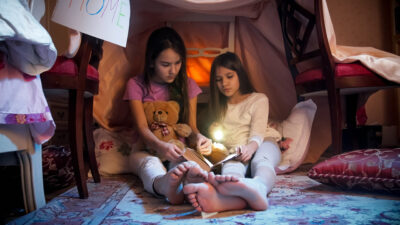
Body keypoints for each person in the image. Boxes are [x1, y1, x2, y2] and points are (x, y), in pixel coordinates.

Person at [183, 52, 282, 212]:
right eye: (219, 80)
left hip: (263, 142)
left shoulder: (258, 99)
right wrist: (210, 147)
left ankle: (260, 187)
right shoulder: (218, 107)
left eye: (229, 76)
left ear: (239, 75)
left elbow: (258, 133)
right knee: (231, 168)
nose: (224, 83)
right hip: (235, 151)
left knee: (261, 162)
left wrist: (250, 147)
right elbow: (218, 139)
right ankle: (224, 201)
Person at [123, 27, 212, 204]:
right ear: (151, 62)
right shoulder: (136, 84)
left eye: (177, 63)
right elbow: (142, 128)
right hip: (145, 148)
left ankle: (193, 187)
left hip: (179, 150)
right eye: (165, 65)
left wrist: (201, 138)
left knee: (189, 166)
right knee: (150, 165)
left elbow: (192, 128)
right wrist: (161, 146)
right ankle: (163, 186)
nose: (173, 70)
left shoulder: (188, 85)